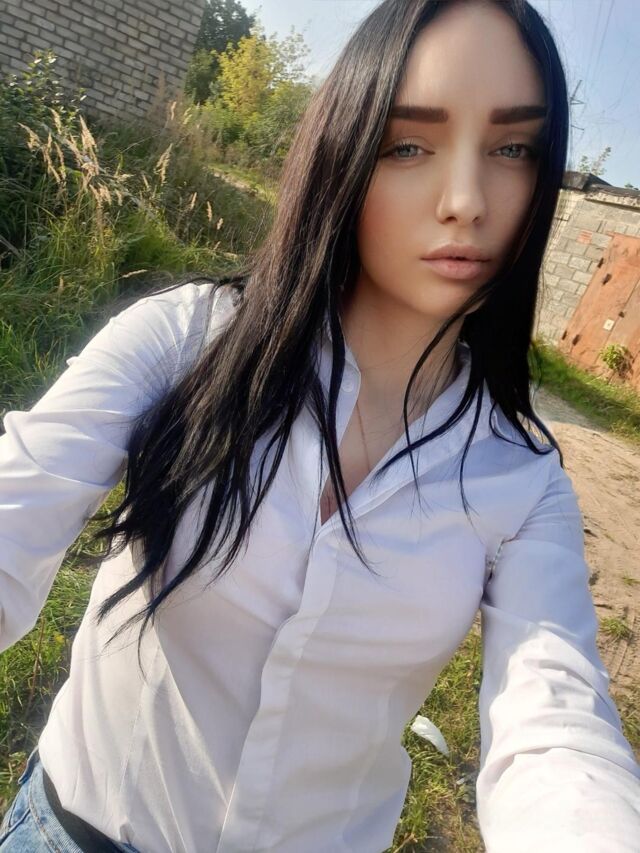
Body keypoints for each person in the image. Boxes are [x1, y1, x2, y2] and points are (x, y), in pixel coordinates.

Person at [1, 0, 639, 850]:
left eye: (512, 149)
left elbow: (556, 725)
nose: (466, 201)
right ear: (345, 148)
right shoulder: (187, 343)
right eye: (408, 144)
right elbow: (17, 501)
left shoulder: (520, 479)